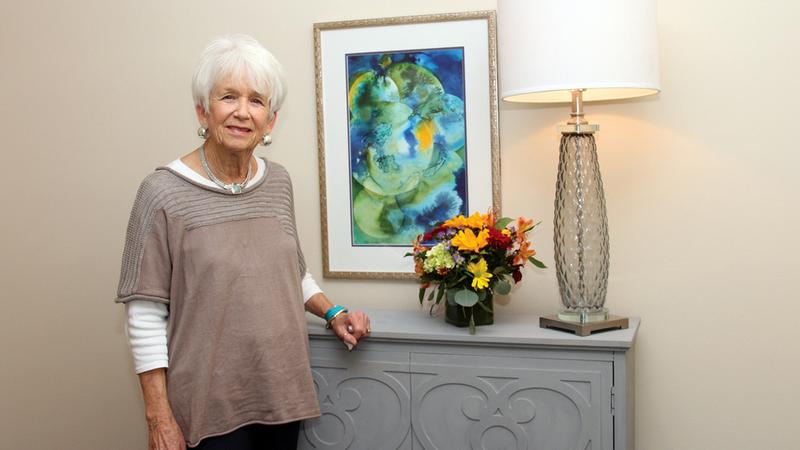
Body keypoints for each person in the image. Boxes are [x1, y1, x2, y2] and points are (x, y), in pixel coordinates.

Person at [116, 34, 371, 450]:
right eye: (228, 97)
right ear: (203, 109)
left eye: (257, 101)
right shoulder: (162, 191)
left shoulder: (279, 182)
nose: (242, 112)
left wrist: (333, 311)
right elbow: (144, 313)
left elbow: (290, 271)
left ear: (270, 120)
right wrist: (158, 416)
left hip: (281, 393)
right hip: (207, 405)